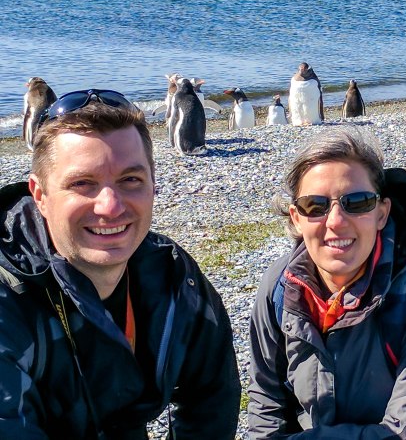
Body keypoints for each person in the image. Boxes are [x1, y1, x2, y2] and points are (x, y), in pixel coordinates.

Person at [0, 89, 241, 439]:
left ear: (153, 184)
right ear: (41, 195)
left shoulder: (171, 273)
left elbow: (212, 398)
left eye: (130, 180)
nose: (110, 206)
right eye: (83, 183)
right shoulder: (10, 297)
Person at [248, 127, 406, 438]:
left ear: (382, 213)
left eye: (357, 202)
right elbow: (266, 402)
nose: (336, 221)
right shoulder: (280, 286)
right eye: (315, 205)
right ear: (296, 218)